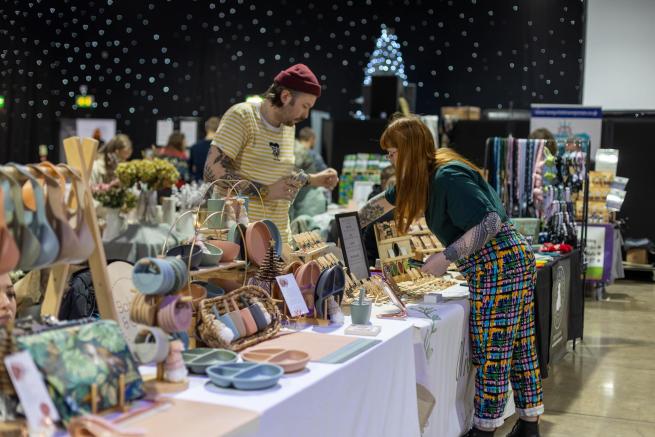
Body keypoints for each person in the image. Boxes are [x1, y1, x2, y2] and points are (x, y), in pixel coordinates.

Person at [358, 116, 543, 437]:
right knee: (518, 346)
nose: (389, 159)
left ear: (408, 151)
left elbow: (490, 223)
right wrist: (350, 222)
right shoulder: (423, 177)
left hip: (500, 264)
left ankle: (484, 430)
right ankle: (530, 426)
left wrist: (446, 257)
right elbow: (380, 205)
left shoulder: (447, 177)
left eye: (392, 153)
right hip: (505, 264)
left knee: (494, 349)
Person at [203, 64, 339, 241]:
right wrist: (265, 191)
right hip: (239, 240)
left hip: (279, 240)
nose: (306, 115)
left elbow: (275, 175)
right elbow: (212, 171)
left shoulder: (288, 126)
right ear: (285, 96)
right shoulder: (242, 116)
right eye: (305, 106)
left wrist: (313, 179)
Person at [290, 127, 329, 220]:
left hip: (294, 200)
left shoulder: (289, 150)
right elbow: (326, 175)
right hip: (311, 202)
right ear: (311, 139)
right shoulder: (313, 155)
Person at [189, 117, 221, 182]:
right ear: (220, 129)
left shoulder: (195, 147)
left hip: (198, 185)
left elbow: (190, 169)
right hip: (218, 186)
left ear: (206, 128)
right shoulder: (222, 148)